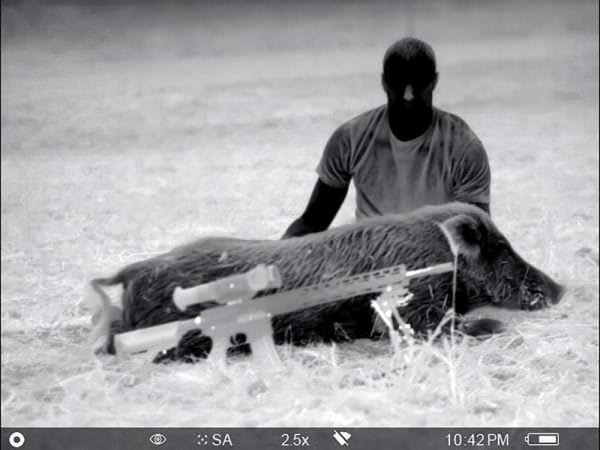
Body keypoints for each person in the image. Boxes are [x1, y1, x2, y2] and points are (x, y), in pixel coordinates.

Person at [282, 37, 491, 239]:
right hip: (374, 260)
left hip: (435, 265)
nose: (408, 95)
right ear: (383, 82)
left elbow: (478, 237)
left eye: (417, 84)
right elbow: (312, 222)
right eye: (399, 84)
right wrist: (273, 261)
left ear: (434, 81)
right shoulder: (349, 140)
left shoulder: (464, 147)